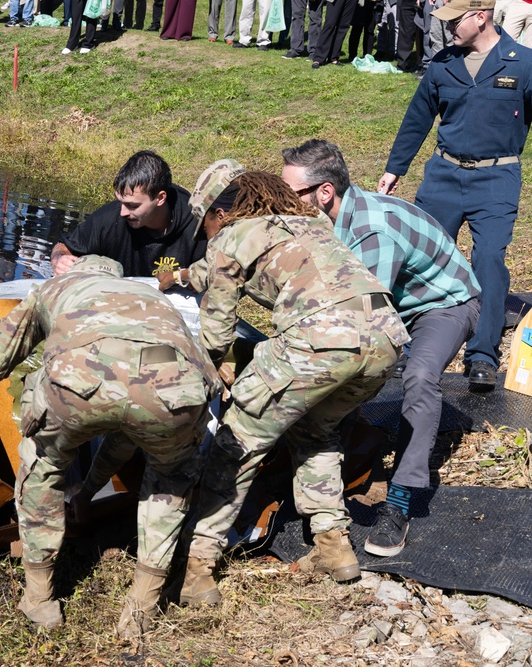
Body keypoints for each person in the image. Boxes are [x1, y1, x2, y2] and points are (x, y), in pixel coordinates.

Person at [0, 255, 221, 637]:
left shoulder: (51, 288)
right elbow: (138, 405)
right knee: (170, 480)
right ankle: (141, 610)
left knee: (43, 466)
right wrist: (89, 491)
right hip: (174, 383)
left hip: (79, 376)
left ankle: (41, 600)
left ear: (77, 273)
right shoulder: (151, 298)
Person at [178, 163, 408, 605]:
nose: (206, 234)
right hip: (385, 343)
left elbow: (216, 335)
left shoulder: (229, 238)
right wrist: (185, 276)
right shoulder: (311, 222)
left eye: (204, 224)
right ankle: (334, 548)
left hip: (319, 343)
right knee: (315, 432)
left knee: (237, 444)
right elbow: (218, 271)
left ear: (219, 213)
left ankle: (197, 570)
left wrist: (206, 379)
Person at [282, 139, 480, 557]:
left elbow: (363, 316)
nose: (284, 203)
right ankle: (343, 453)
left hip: (442, 304)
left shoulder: (374, 230)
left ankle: (403, 496)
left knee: (418, 376)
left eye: (291, 194)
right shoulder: (324, 217)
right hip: (392, 300)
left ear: (324, 193)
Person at [378, 0, 532, 392]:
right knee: (424, 259)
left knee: (490, 260)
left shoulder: (523, 63)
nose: (445, 30)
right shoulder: (443, 64)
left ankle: (482, 356)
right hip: (443, 176)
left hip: (496, 177)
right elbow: (417, 119)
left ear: (480, 17)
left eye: (453, 22)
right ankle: (414, 346)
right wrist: (395, 169)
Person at [50, 150, 206, 277]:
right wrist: (59, 259)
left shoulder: (198, 226)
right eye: (120, 202)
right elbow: (64, 246)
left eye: (133, 205)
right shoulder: (109, 218)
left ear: (160, 198)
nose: (123, 212)